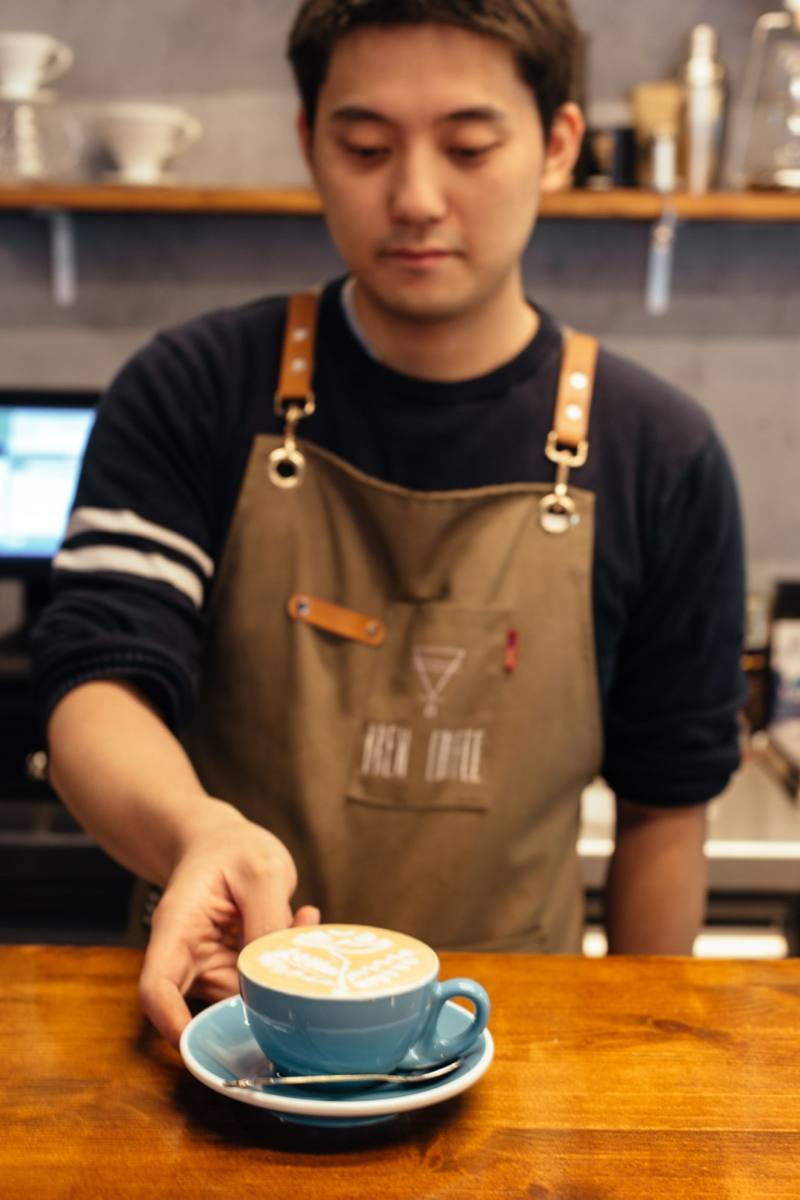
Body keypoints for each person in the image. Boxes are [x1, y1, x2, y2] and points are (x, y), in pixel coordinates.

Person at [31, 0, 746, 1048]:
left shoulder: (658, 452)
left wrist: (644, 1053)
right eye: (365, 146)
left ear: (555, 145)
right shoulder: (192, 389)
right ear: (308, 145)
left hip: (513, 1045)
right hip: (219, 1029)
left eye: (466, 145)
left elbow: (663, 809)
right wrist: (200, 832)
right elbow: (96, 680)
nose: (413, 197)